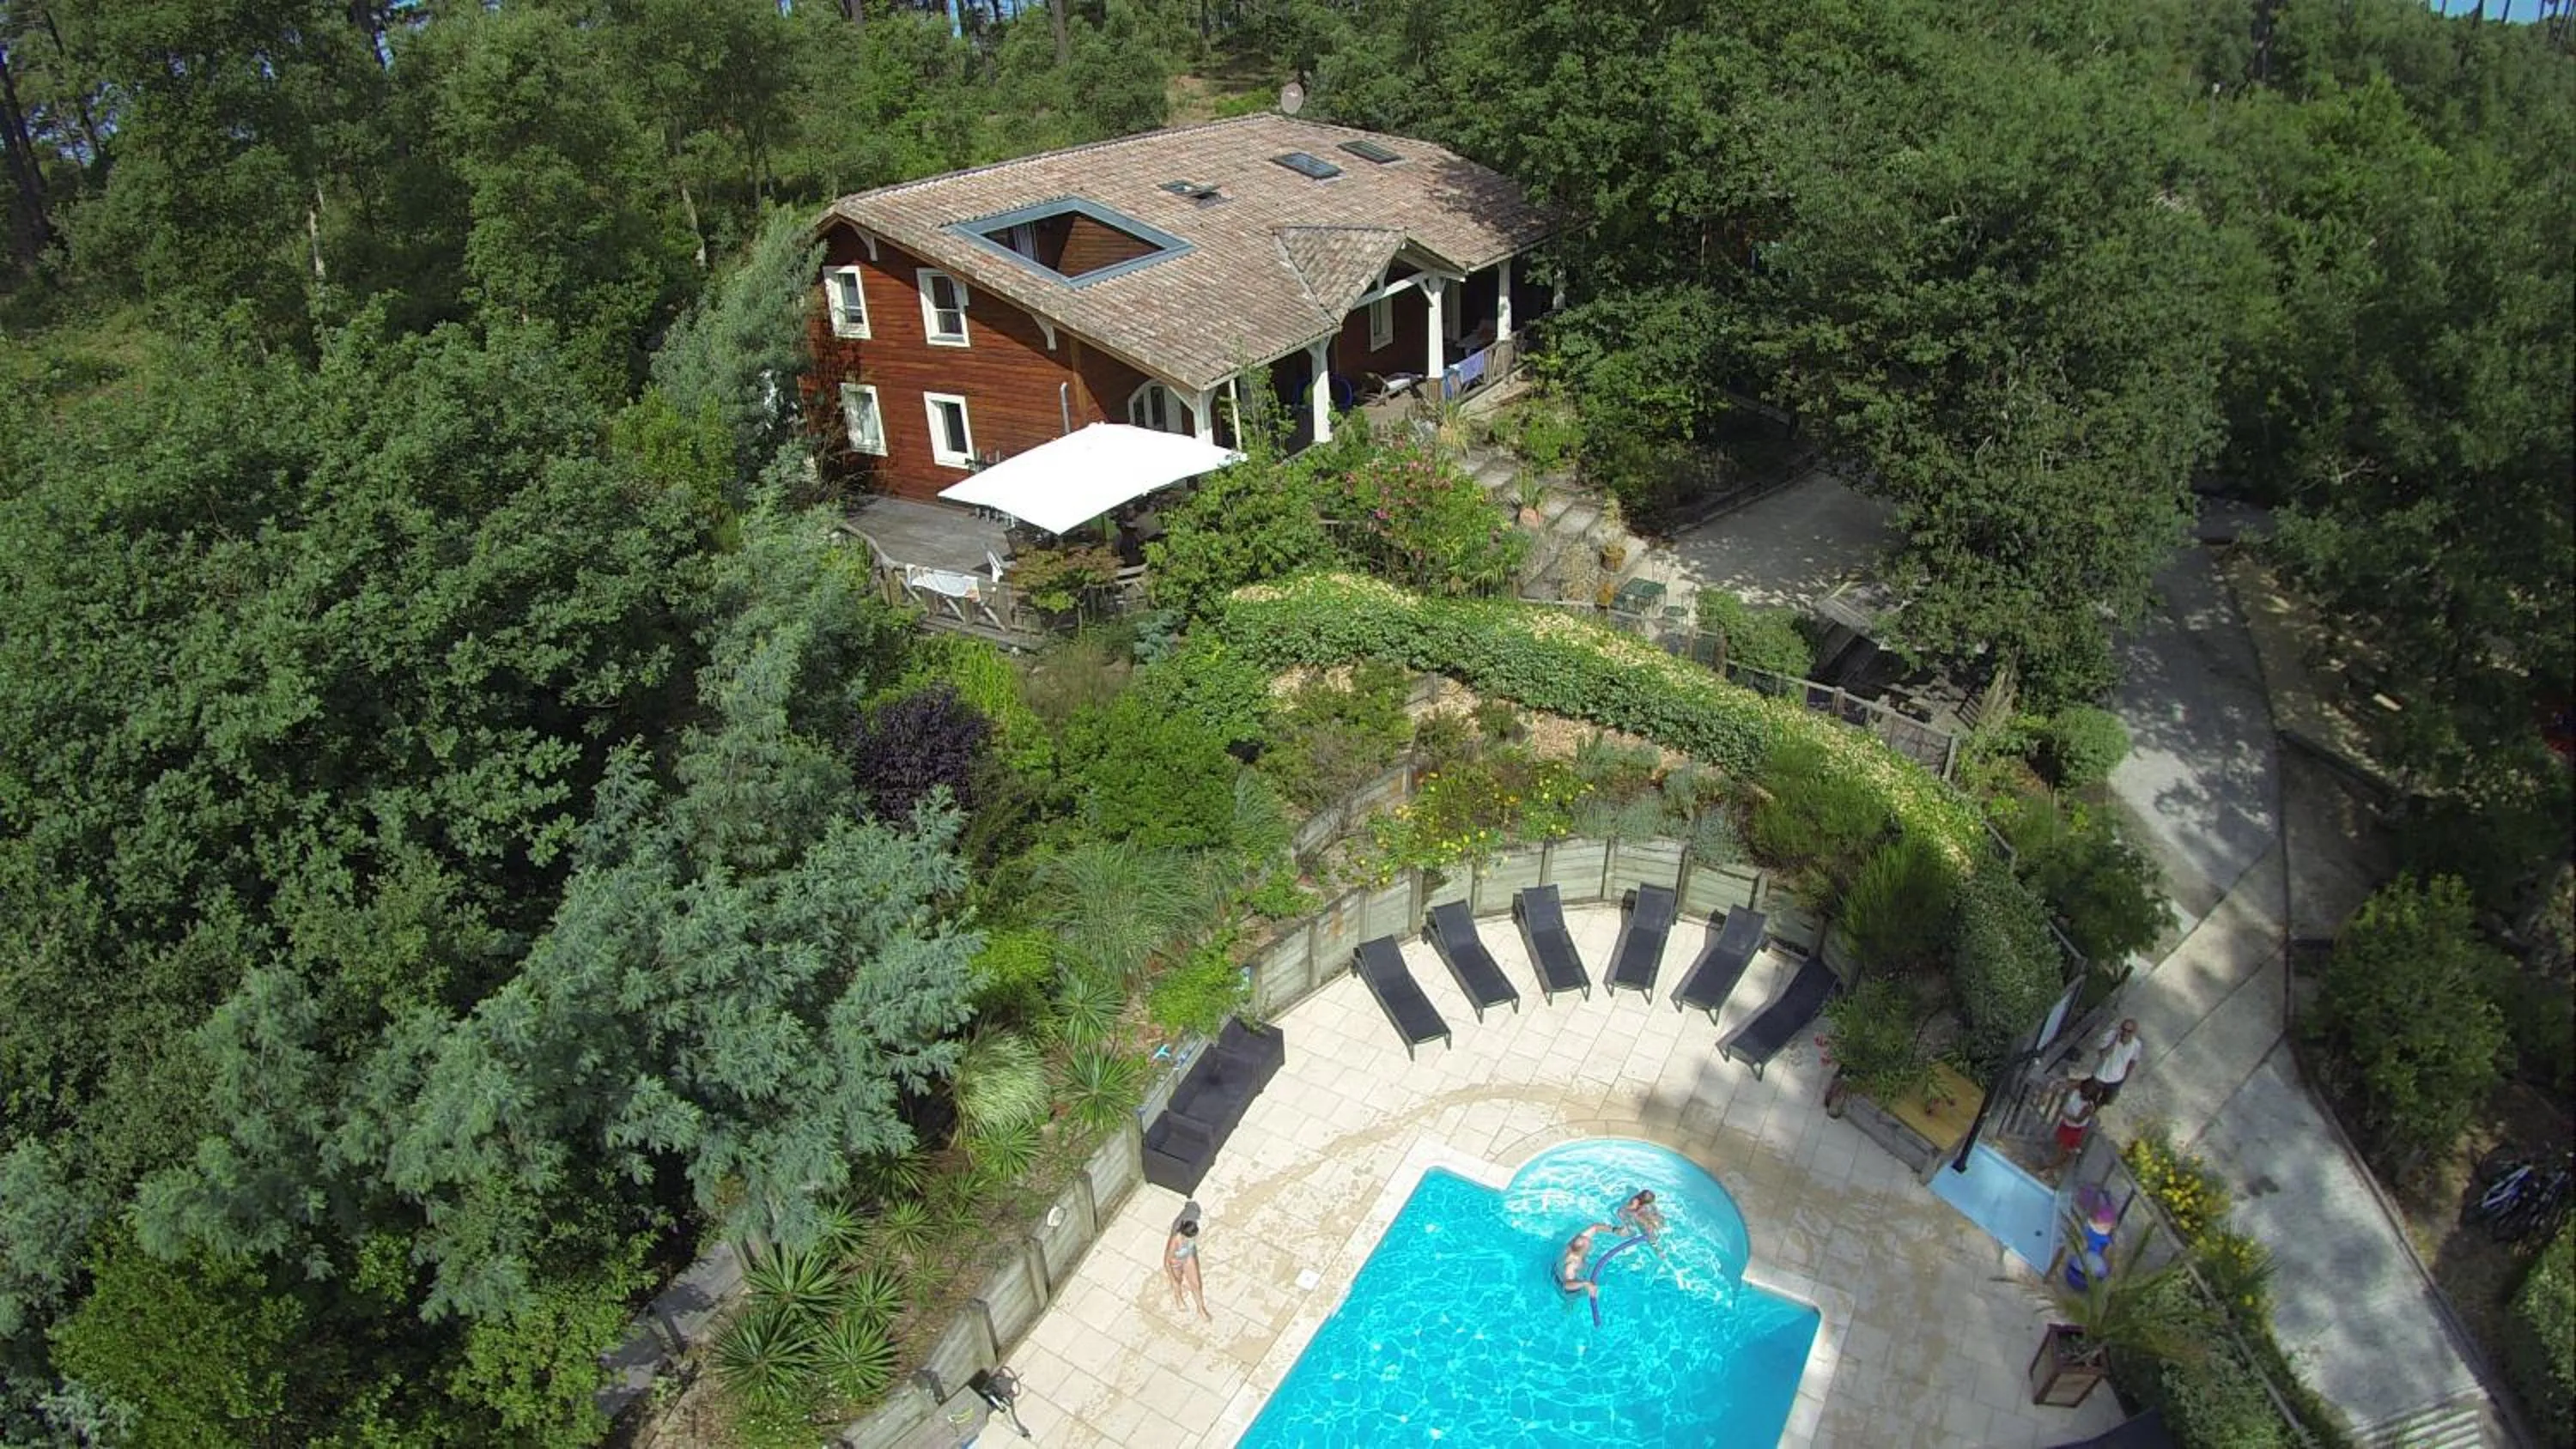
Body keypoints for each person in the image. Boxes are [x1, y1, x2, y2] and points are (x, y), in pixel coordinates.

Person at [2086, 1019, 2144, 1106]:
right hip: (2100, 1075)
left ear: (2133, 1032)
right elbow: (2103, 1055)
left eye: (2129, 1031)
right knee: (2088, 1096)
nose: (2125, 1033)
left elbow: (2132, 1061)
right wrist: (2114, 1041)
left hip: (2117, 1078)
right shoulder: (2110, 1036)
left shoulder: (2136, 1045)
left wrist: (2125, 1077)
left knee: (2107, 1100)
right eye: (2123, 1029)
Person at [1165, 1216, 1212, 1321]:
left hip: (1187, 1257)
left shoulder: (1190, 1238)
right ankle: (1178, 1297)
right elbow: (1167, 1261)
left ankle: (1201, 1308)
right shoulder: (1175, 1241)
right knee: (1177, 1282)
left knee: (1197, 1284)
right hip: (1176, 1262)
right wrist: (1172, 1278)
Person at [1557, 1223, 1617, 1301]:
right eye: (1588, 1243)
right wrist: (1586, 1284)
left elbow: (1595, 1227)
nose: (1589, 1240)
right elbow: (1567, 1285)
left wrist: (1616, 1230)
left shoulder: (1579, 1241)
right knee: (1572, 1300)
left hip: (1564, 1271)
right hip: (1566, 1286)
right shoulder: (1572, 1263)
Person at [2051, 1083, 2097, 1168]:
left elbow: (2078, 1120)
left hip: (2074, 1129)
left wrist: (2064, 1113)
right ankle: (2061, 1161)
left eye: (2086, 1094)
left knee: (2063, 1149)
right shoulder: (2076, 1092)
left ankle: (2054, 1167)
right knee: (2059, 1142)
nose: (2083, 1095)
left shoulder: (2089, 1106)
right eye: (2083, 1092)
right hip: (2066, 1123)